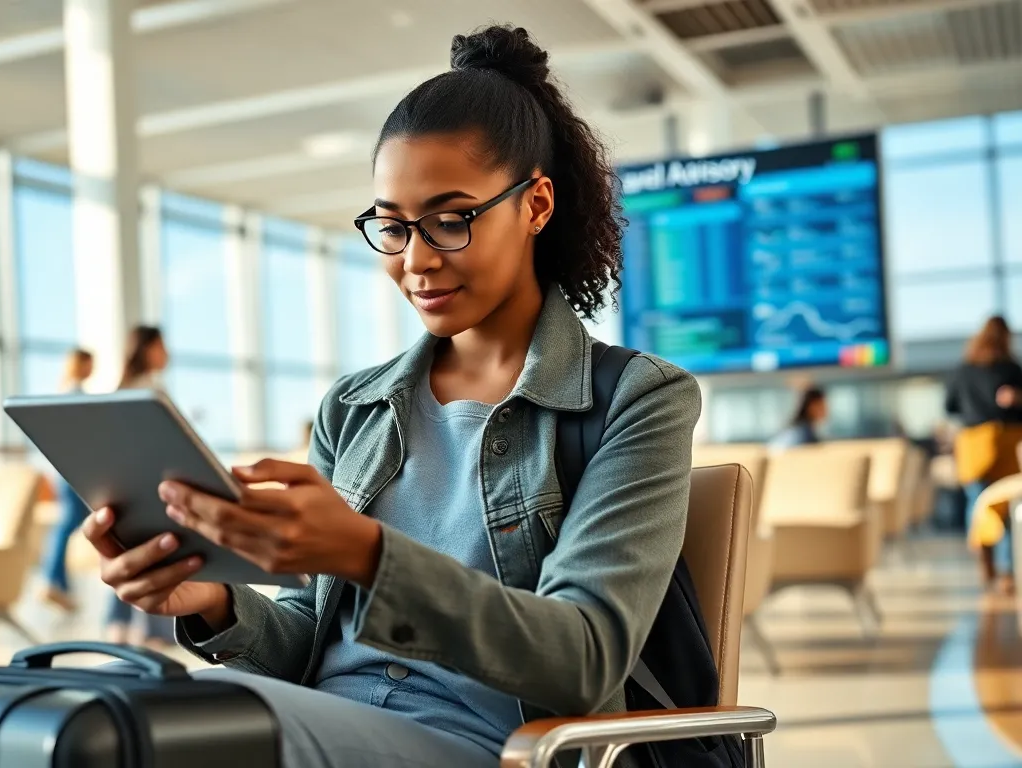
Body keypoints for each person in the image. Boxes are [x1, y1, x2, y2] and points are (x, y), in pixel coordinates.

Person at [83, 25, 699, 767]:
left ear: (536, 205)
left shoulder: (636, 399)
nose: (416, 260)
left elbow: (586, 658)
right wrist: (212, 604)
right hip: (328, 730)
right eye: (393, 226)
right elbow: (308, 640)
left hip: (494, 749)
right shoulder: (355, 407)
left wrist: (371, 556)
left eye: (450, 220)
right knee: (73, 715)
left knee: (140, 738)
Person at [105, 325, 177, 647]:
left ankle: (117, 624)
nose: (167, 354)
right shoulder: (152, 391)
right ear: (148, 349)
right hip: (152, 484)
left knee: (124, 551)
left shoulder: (122, 390)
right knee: (156, 552)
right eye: (162, 346)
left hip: (120, 484)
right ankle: (156, 630)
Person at [947, 315, 1022, 594]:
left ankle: (984, 560)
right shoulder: (1011, 369)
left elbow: (949, 406)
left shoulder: (963, 370)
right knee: (1005, 505)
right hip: (1006, 441)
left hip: (973, 443)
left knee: (978, 503)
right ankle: (1006, 570)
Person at [37, 348, 95, 611]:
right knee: (69, 521)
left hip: (63, 469)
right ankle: (51, 581)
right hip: (74, 470)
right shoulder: (76, 395)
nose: (92, 369)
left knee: (71, 521)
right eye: (90, 364)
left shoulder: (62, 393)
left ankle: (58, 583)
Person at [769, 386, 827, 450]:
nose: (825, 410)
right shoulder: (802, 434)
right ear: (811, 406)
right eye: (822, 405)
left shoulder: (799, 429)